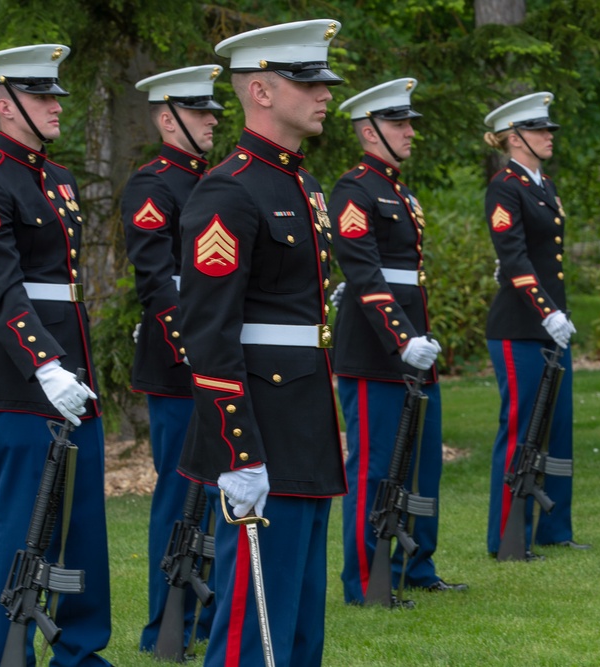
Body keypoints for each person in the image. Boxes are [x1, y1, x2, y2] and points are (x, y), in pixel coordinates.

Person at [176, 19, 347, 667]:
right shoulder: (230, 189)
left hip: (305, 417)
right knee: (256, 621)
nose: (325, 94)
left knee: (299, 618)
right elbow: (208, 331)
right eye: (309, 82)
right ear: (261, 90)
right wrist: (237, 450)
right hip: (263, 425)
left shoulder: (304, 185)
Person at [0, 44, 111, 666]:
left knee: (81, 524)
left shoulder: (57, 179)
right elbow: (1, 285)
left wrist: (68, 367)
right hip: (23, 376)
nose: (56, 105)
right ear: (5, 106)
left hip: (72, 371)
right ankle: (6, 656)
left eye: (55, 94)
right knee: (20, 524)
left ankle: (81, 652)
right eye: (42, 96)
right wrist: (45, 364)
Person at [330, 78, 466, 604]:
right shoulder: (354, 190)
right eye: (399, 123)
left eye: (409, 123)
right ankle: (367, 580)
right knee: (375, 468)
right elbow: (363, 272)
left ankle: (415, 565)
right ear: (369, 131)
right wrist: (402, 338)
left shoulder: (399, 192)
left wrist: (416, 342)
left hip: (414, 348)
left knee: (421, 466)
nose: (410, 132)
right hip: (376, 351)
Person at [121, 64, 222, 653]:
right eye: (198, 111)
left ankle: (209, 617)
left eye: (212, 110)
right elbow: (157, 284)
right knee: (179, 494)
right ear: (167, 119)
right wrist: (198, 351)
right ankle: (167, 625)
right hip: (179, 363)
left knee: (217, 493)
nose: (212, 120)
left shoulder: (215, 182)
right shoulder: (153, 185)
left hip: (221, 356)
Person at [482, 92, 588, 558]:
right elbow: (514, 256)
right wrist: (546, 310)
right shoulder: (505, 187)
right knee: (522, 429)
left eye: (548, 129)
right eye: (539, 130)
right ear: (514, 137)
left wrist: (554, 314)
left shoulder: (544, 185)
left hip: (552, 324)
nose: (549, 136)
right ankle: (509, 535)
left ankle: (554, 527)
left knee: (557, 428)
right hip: (521, 325)